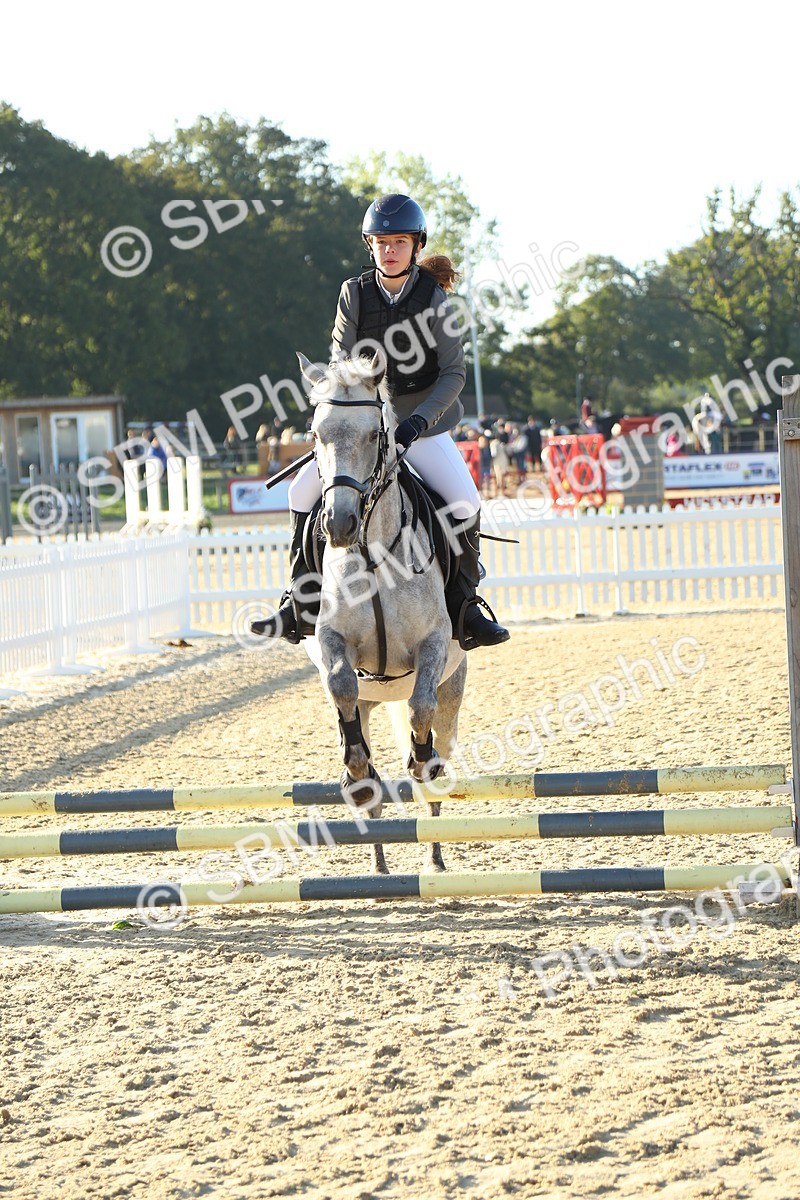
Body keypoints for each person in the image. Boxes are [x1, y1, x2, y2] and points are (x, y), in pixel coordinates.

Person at [254, 192, 509, 649]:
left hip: (422, 423)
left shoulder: (434, 299)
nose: (390, 250)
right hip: (365, 420)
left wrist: (416, 423)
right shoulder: (354, 293)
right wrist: (356, 413)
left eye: (399, 242)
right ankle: (299, 602)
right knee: (299, 493)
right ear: (370, 245)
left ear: (416, 246)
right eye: (381, 242)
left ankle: (467, 607)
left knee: (466, 502)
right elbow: (340, 361)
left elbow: (453, 373)